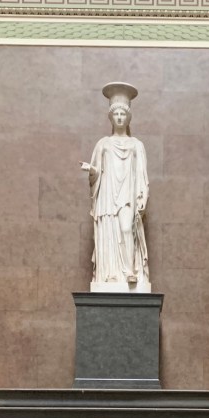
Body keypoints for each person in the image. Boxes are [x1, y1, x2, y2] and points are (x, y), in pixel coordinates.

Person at [81, 82, 150, 291]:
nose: (119, 117)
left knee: (127, 228)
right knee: (109, 231)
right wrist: (91, 171)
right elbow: (97, 172)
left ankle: (129, 271)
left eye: (123, 114)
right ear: (111, 118)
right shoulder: (103, 144)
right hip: (108, 194)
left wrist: (142, 195)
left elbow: (142, 174)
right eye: (116, 114)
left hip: (127, 195)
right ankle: (110, 273)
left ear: (128, 118)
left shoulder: (137, 145)